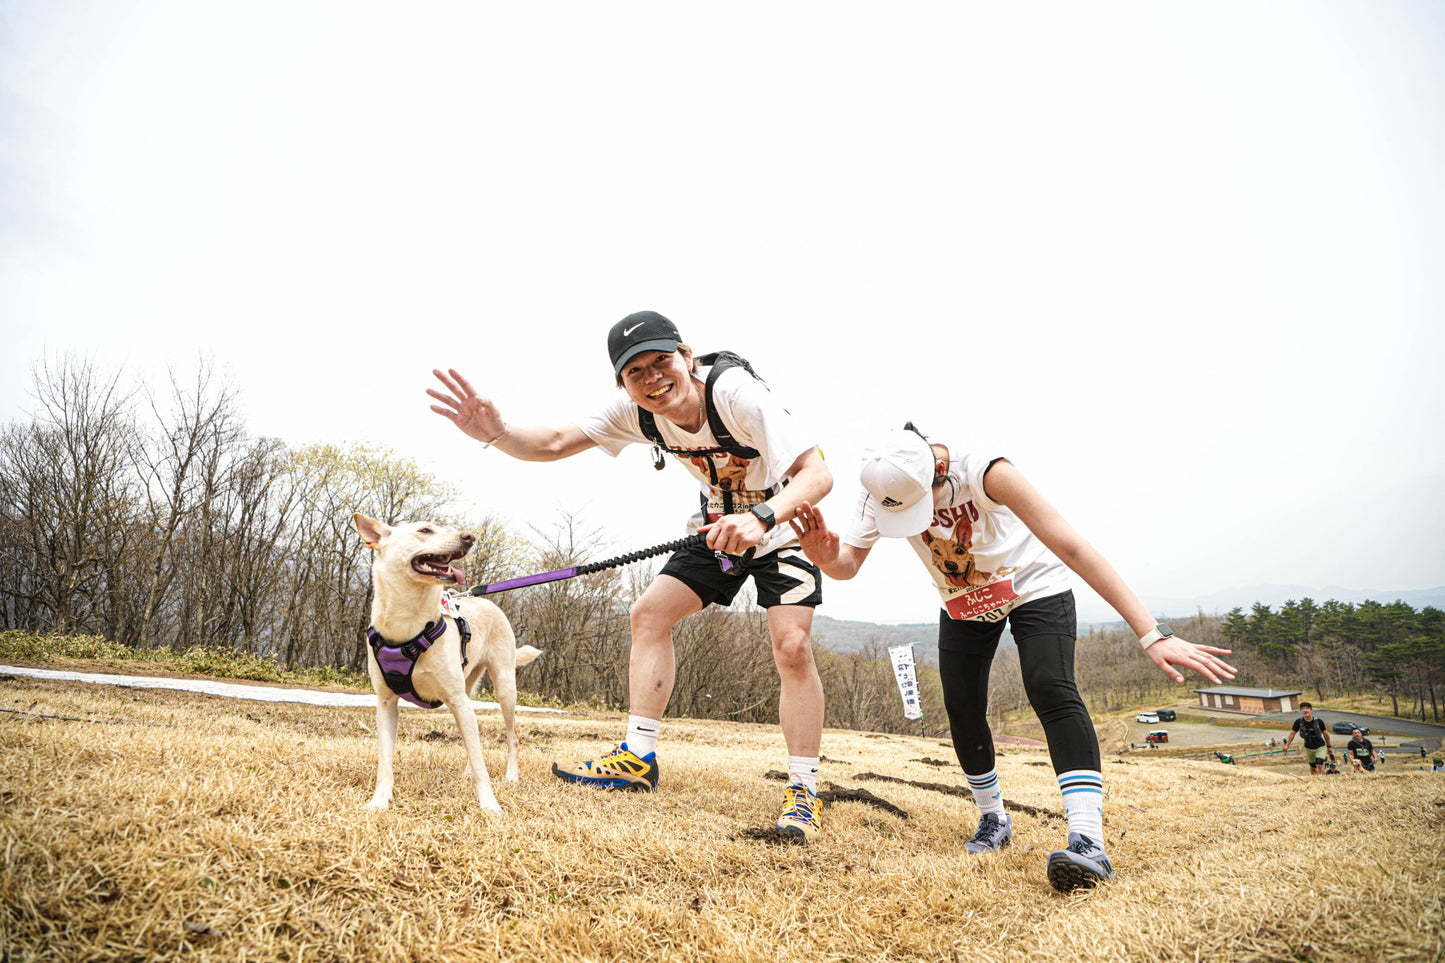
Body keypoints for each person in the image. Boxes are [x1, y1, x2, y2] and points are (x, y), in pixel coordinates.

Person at [428, 311, 834, 839]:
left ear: (687, 357)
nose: (652, 379)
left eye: (662, 362)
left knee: (792, 647)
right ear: (622, 381)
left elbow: (818, 473)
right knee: (648, 615)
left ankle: (803, 791)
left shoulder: (736, 394)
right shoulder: (636, 411)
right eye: (634, 371)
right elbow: (551, 442)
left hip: (780, 526)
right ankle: (638, 759)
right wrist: (497, 433)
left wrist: (760, 518)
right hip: (715, 530)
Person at [789, 424, 1236, 892]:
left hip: (1033, 585)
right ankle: (993, 819)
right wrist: (826, 557)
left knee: (1049, 686)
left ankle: (1088, 841)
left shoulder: (986, 471)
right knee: (961, 708)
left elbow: (1072, 546)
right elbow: (848, 566)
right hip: (963, 598)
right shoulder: (879, 489)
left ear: (938, 474)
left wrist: (1151, 633)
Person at [1282, 702, 1332, 775]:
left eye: (1307, 708)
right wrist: (1287, 745)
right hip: (1308, 748)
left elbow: (1326, 734)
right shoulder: (1299, 722)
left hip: (1320, 747)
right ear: (1301, 711)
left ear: (1311, 710)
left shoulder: (1319, 721)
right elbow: (1292, 733)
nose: (1305, 710)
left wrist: (1329, 746)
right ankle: (1315, 780)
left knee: (1319, 764)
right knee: (1313, 767)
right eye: (1303, 709)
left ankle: (1324, 780)